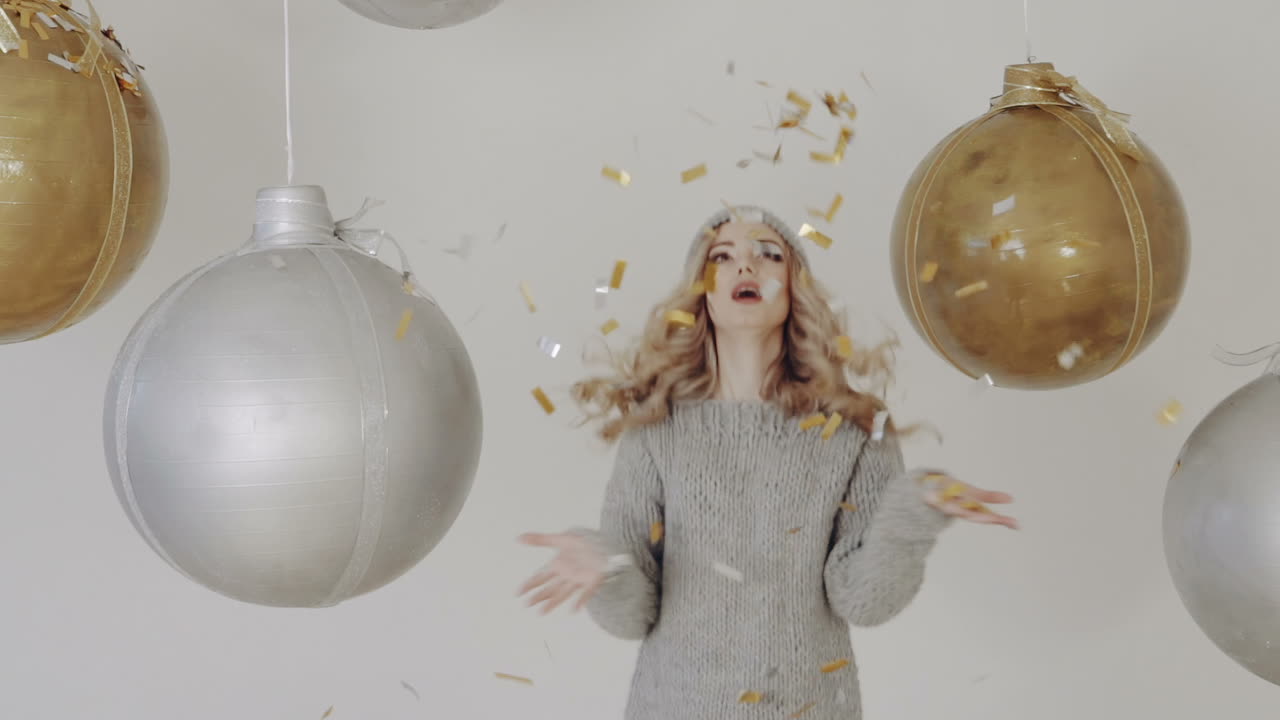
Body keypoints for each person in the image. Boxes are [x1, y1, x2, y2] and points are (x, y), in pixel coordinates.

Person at [517, 206, 1016, 720]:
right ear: (702, 290)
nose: (745, 267)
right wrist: (607, 566)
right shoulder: (656, 430)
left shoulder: (854, 427)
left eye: (769, 254)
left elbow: (864, 602)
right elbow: (633, 616)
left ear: (794, 284)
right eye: (722, 256)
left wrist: (915, 509)